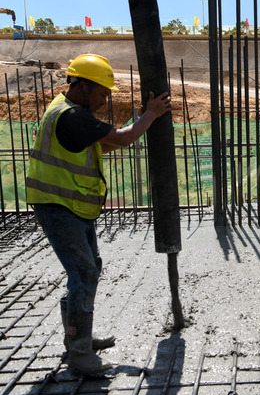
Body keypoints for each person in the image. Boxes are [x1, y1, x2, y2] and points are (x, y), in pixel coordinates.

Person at [26, 54, 171, 374]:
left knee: (91, 267)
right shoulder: (73, 116)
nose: (105, 100)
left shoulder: (64, 110)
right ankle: (79, 353)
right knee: (83, 272)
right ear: (82, 86)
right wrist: (149, 115)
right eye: (102, 93)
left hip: (71, 206)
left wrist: (127, 132)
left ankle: (78, 338)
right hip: (58, 206)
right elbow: (122, 138)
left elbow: (101, 145)